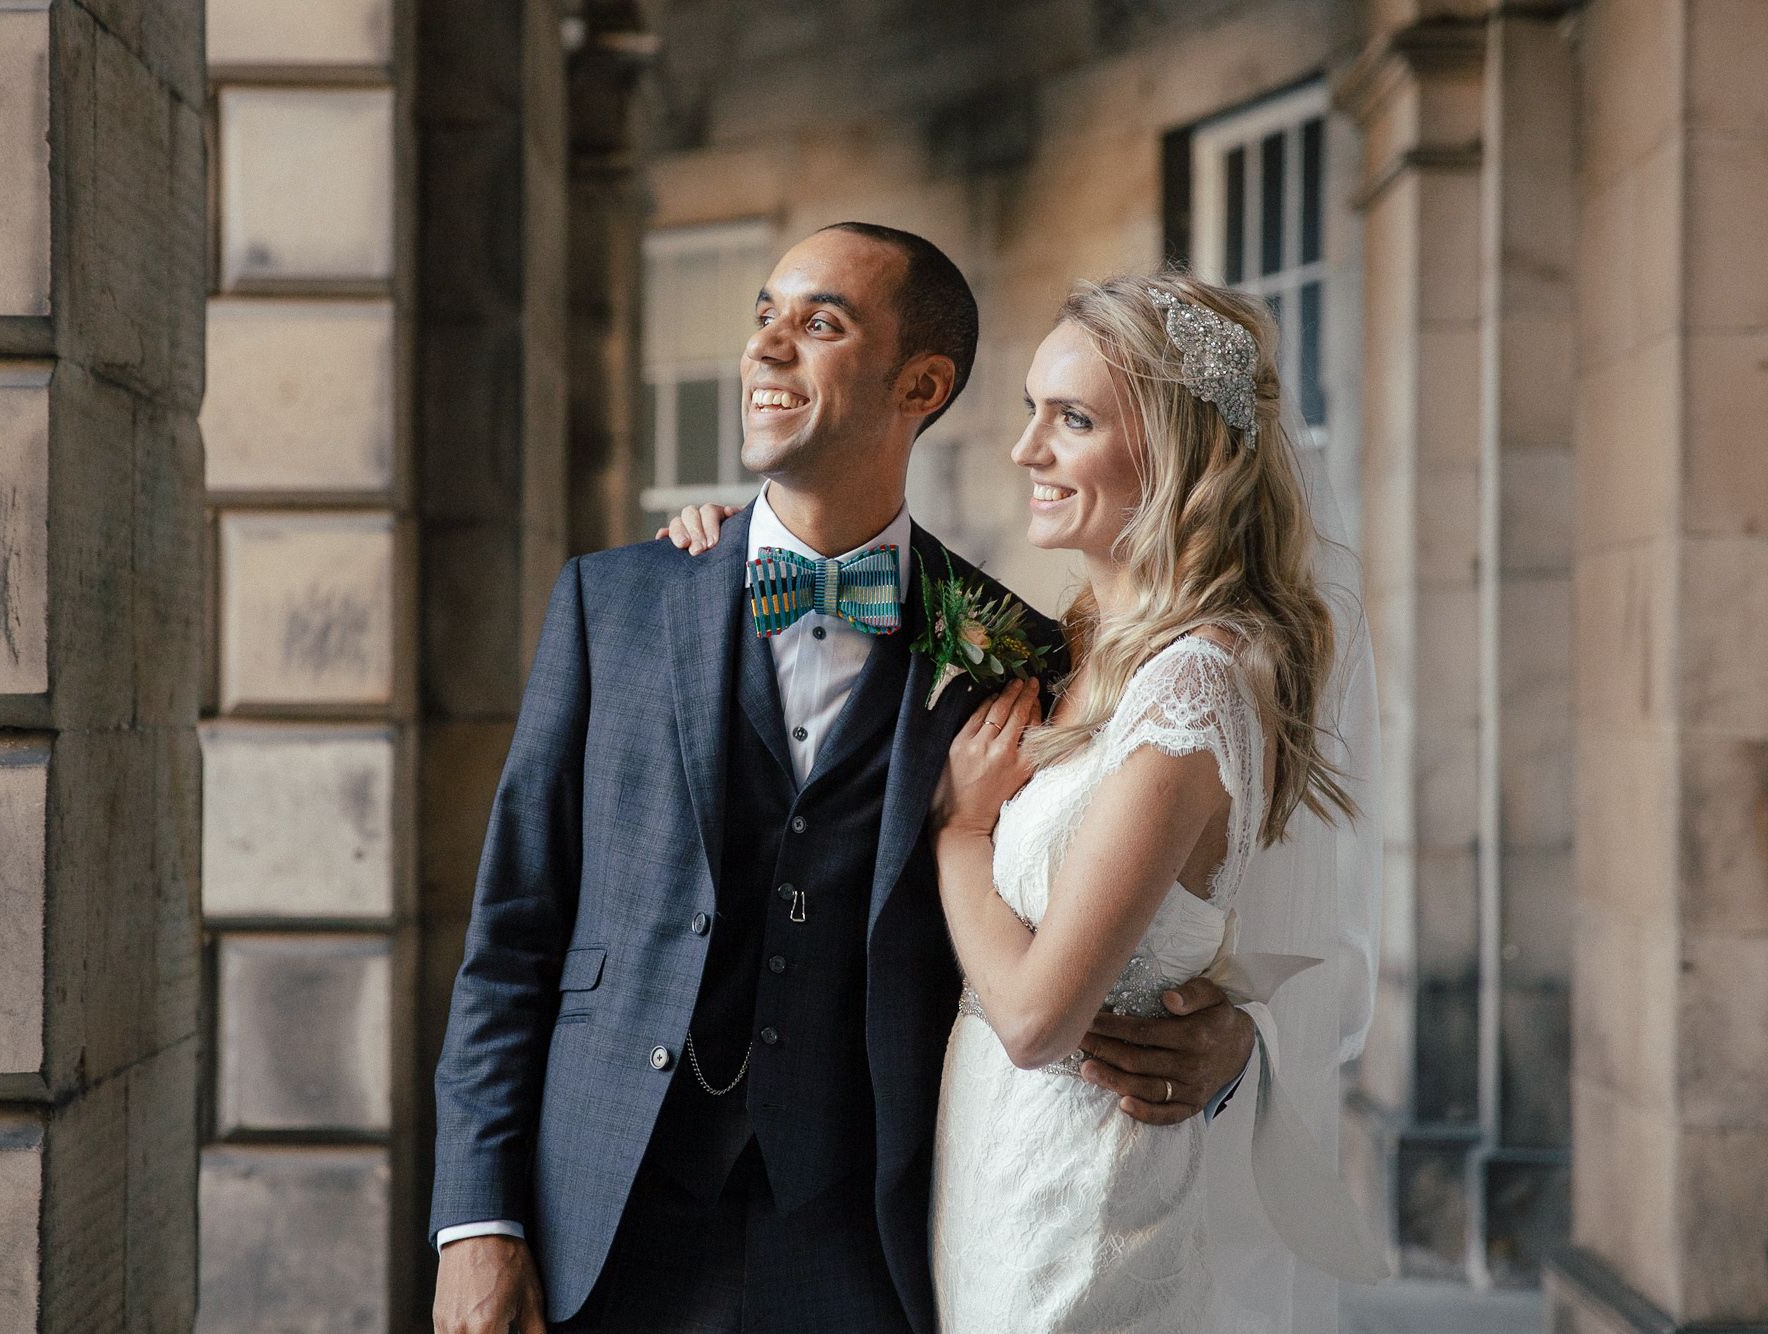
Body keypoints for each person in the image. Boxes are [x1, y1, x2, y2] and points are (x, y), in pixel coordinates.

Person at [429, 227, 1258, 1334]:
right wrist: (474, 1217)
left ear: (920, 384)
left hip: (862, 1242)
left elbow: (1139, 898)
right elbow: (513, 930)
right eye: (762, 315)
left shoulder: (1017, 652)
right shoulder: (613, 603)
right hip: (604, 1217)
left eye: (817, 323)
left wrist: (1229, 1043)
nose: (765, 348)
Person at [661, 274, 1386, 1330]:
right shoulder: (1060, 643)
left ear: (1180, 454)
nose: (1025, 449)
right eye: (1031, 410)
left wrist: (961, 831)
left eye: (1074, 419)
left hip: (1086, 1195)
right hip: (985, 1177)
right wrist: (733, 543)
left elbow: (1042, 1014)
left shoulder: (1195, 680)